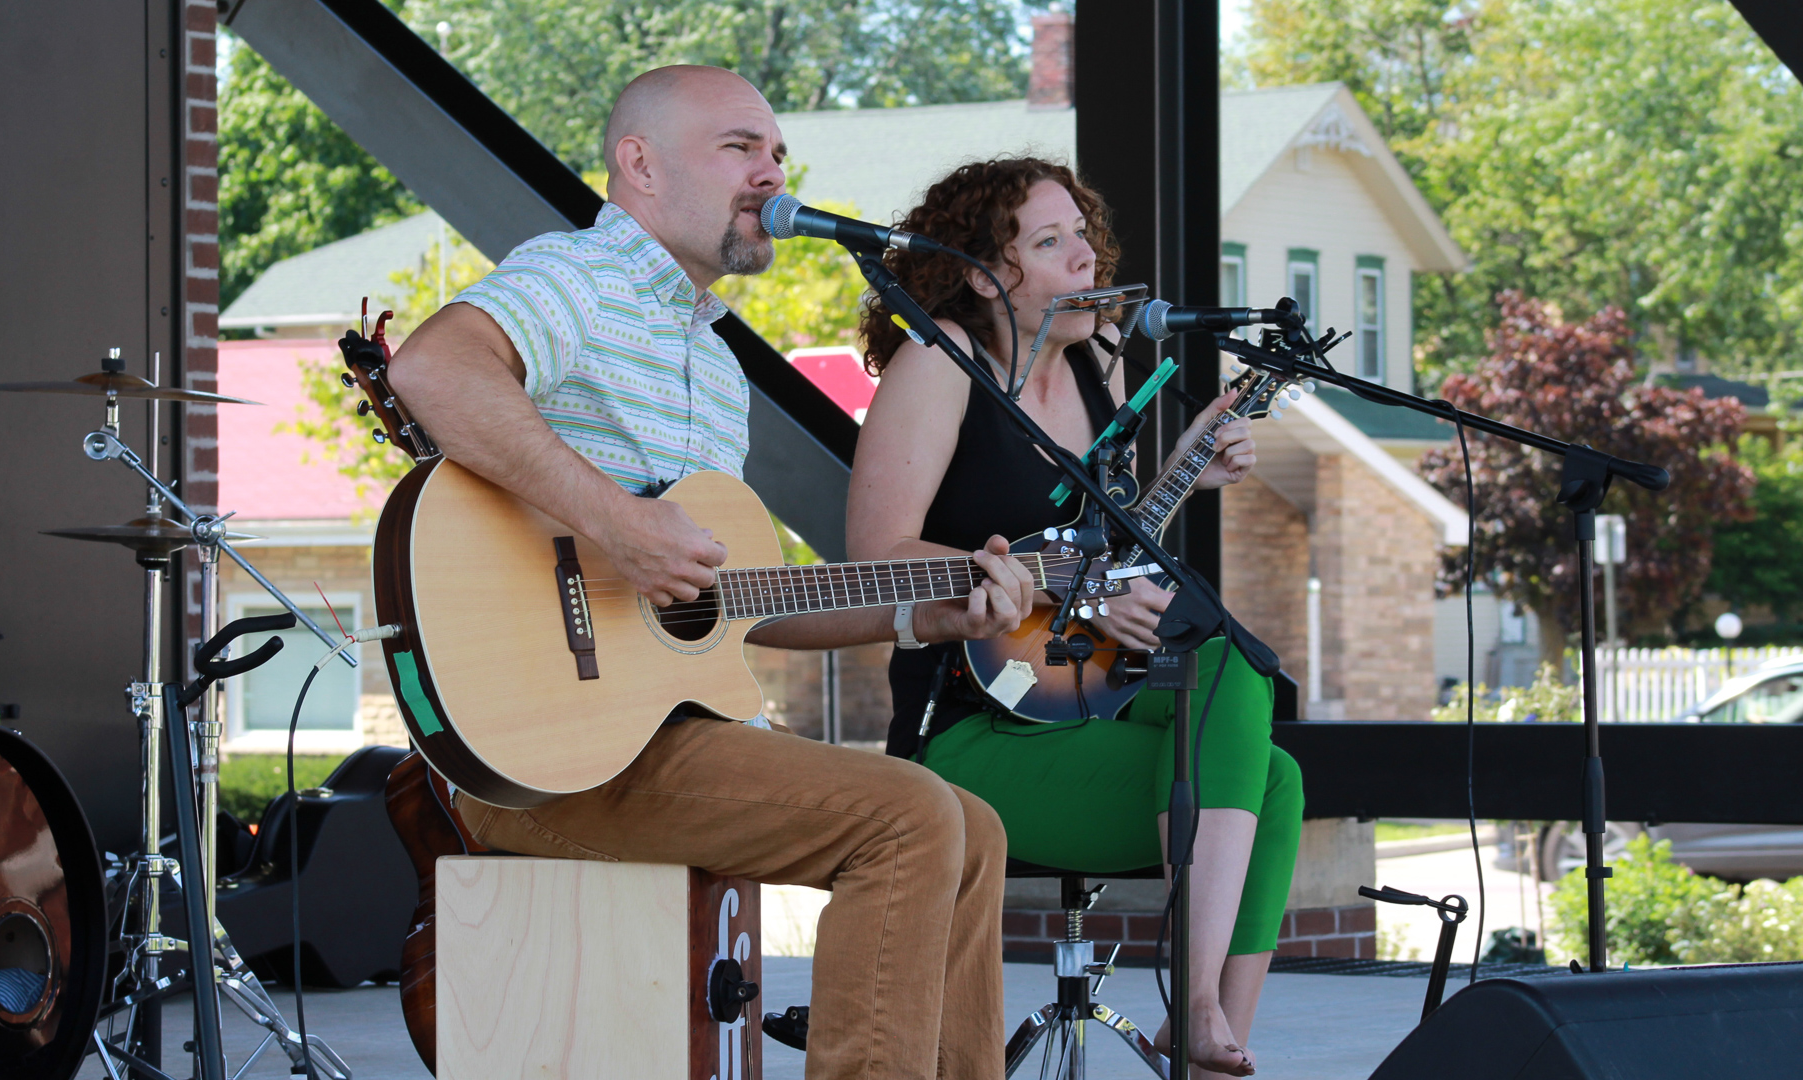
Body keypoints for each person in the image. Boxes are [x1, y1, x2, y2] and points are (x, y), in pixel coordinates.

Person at [387, 66, 1034, 1080]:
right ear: (638, 165)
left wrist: (929, 616)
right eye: (741, 147)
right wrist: (617, 520)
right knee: (907, 816)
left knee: (975, 827)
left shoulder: (717, 367)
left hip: (661, 740)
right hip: (542, 760)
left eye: (777, 152)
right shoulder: (579, 276)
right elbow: (431, 370)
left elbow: (740, 615)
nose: (772, 171)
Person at [846, 157, 1305, 1079]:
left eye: (1083, 235)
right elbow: (873, 558)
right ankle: (1197, 1002)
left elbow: (1106, 548)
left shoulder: (1099, 360)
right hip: (971, 723)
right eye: (1048, 242)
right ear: (984, 272)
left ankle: (1203, 1023)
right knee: (1272, 782)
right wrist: (1052, 586)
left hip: (1084, 686)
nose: (1085, 258)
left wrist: (1187, 464)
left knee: (1240, 684)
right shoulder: (940, 362)